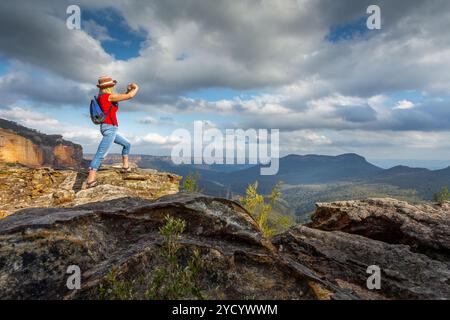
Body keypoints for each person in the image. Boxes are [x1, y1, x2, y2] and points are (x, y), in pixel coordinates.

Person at [86, 76, 139, 188]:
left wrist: (128, 90)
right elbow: (129, 96)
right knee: (101, 154)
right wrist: (136, 88)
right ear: (109, 87)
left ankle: (125, 167)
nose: (114, 87)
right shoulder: (107, 97)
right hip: (109, 128)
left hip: (111, 128)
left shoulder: (105, 97)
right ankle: (90, 180)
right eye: (112, 86)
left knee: (127, 144)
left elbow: (123, 96)